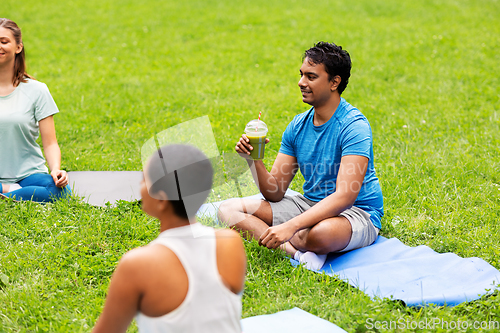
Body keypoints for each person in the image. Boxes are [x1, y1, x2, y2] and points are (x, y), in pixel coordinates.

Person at [218, 42, 383, 270]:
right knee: (228, 210)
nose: (301, 82)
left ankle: (306, 240)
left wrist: (291, 225)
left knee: (321, 235)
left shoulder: (354, 126)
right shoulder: (297, 126)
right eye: (301, 75)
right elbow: (274, 192)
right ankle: (297, 254)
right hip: (310, 205)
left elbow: (345, 197)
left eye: (311, 77)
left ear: (334, 82)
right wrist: (253, 159)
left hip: (355, 211)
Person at [93, 144, 246, 333]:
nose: (140, 186)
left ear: (161, 200)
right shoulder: (230, 242)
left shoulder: (137, 265)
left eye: (144, 180)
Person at [0, 18, 69, 203]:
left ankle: (6, 193)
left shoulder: (37, 90)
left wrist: (55, 169)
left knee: (60, 192)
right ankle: (8, 190)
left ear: (18, 47)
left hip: (27, 174)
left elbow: (50, 143)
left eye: (4, 41)